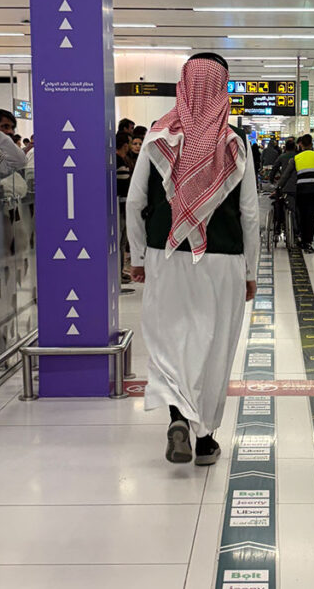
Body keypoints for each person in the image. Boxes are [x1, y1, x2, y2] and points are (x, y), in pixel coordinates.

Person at [126, 53, 259, 467]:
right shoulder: (235, 141)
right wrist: (252, 271)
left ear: (183, 85)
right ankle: (205, 440)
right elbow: (251, 213)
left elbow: (135, 203)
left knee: (171, 341)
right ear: (223, 88)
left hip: (167, 255)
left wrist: (138, 257)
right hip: (223, 261)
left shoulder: (158, 137)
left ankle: (177, 418)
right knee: (213, 345)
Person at [277, 133, 314, 253]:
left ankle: (302, 238)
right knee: (311, 217)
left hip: (301, 190)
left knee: (301, 214)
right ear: (312, 144)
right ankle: (308, 242)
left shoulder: (296, 158)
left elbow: (286, 174)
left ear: (301, 145)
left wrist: (279, 186)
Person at [116, 131, 134, 284]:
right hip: (120, 207)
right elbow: (123, 186)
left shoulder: (123, 160)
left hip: (122, 206)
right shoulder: (118, 162)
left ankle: (120, 271)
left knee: (122, 240)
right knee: (120, 240)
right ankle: (118, 272)